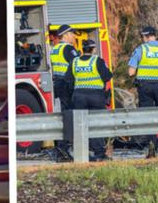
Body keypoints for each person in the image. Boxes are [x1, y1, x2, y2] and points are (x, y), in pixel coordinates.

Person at [128, 25, 158, 157]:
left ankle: (153, 145)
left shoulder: (141, 49)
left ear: (145, 36)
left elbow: (131, 72)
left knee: (148, 116)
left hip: (145, 87)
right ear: (155, 35)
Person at [67, 38, 112, 161]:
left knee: (81, 125)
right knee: (96, 124)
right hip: (96, 97)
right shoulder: (97, 61)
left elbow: (68, 78)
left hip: (79, 97)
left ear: (83, 49)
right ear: (93, 49)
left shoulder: (75, 62)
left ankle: (82, 153)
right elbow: (107, 76)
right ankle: (99, 153)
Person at [48, 24, 77, 160]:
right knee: (69, 115)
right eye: (72, 34)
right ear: (65, 35)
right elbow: (77, 64)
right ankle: (64, 147)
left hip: (57, 83)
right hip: (67, 84)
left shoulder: (55, 49)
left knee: (62, 114)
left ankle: (61, 146)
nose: (74, 36)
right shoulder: (68, 49)